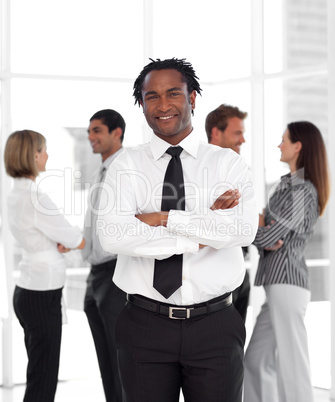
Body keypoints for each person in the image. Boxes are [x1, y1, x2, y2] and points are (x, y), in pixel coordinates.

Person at [97, 58, 258, 402]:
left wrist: (164, 218)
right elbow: (112, 235)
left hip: (214, 325)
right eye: (151, 96)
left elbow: (243, 230)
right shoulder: (127, 164)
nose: (163, 104)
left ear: (193, 98)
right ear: (141, 104)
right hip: (144, 325)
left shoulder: (226, 163)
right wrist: (205, 228)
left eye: (173, 93)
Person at [243, 121, 330, 402]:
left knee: (293, 366)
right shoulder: (285, 187)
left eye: (284, 140)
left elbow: (272, 234)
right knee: (256, 360)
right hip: (275, 284)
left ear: (298, 146)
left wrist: (251, 231)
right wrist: (263, 232)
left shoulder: (302, 191)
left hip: (288, 283)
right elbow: (266, 233)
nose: (279, 145)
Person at [4, 130, 85, 402]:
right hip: (42, 295)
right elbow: (75, 238)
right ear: (32, 155)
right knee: (43, 378)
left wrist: (58, 241)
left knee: (38, 372)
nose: (47, 155)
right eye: (44, 149)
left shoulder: (16, 194)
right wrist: (70, 240)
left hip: (27, 290)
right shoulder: (36, 197)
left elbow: (46, 235)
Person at [82, 109, 127, 402]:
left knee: (119, 357)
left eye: (97, 130)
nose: (90, 137)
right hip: (95, 274)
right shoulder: (100, 171)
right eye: (90, 132)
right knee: (105, 358)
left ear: (117, 133)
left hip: (115, 272)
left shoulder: (125, 171)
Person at [205, 103, 250, 322]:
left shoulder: (238, 170)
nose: (242, 139)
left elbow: (247, 221)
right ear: (216, 132)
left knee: (235, 347)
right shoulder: (197, 171)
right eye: (237, 133)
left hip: (239, 271)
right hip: (213, 280)